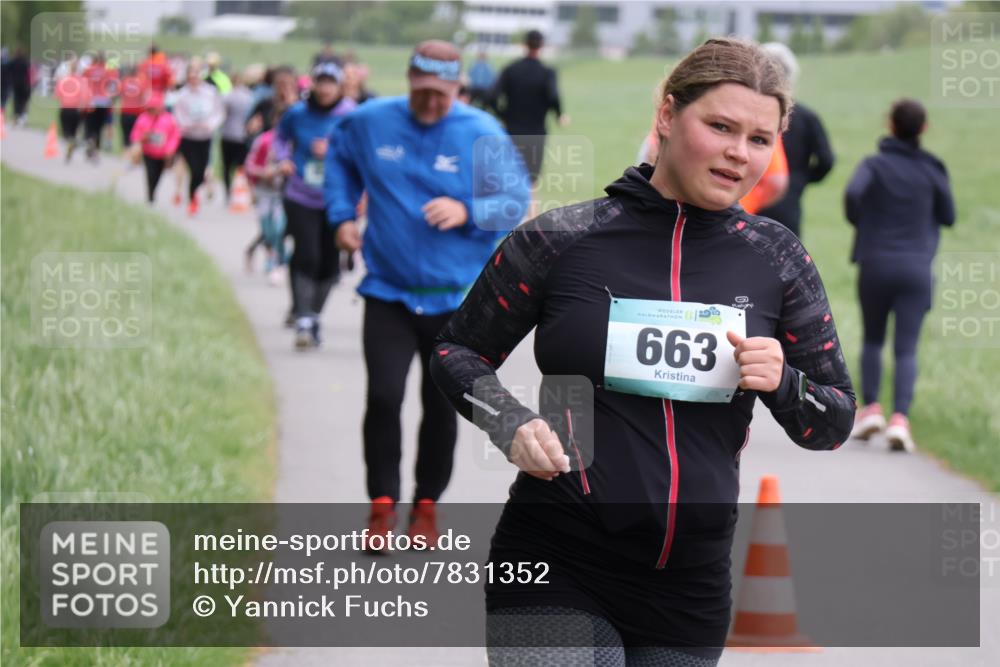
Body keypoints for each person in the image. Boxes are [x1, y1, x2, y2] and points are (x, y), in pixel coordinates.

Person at [429, 38, 855, 665]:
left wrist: (785, 383)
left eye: (760, 139)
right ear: (666, 116)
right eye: (720, 127)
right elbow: (456, 351)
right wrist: (509, 422)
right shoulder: (561, 238)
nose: (739, 153)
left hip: (689, 584)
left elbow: (833, 420)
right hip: (557, 556)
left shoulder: (778, 259)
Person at [324, 40, 530, 548]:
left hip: (455, 302)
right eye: (422, 92)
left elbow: (515, 203)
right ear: (409, 81)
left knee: (441, 407)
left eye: (441, 94)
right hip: (388, 293)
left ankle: (426, 506)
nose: (431, 102)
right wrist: (342, 215)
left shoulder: (481, 133)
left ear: (458, 88)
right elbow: (339, 159)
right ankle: (382, 505)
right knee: (385, 397)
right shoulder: (372, 120)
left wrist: (466, 210)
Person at [845, 98, 955, 453]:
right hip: (916, 268)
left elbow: (852, 194)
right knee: (906, 348)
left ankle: (872, 409)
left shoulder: (873, 165)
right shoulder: (932, 168)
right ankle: (900, 422)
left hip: (875, 263)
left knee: (874, 339)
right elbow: (949, 215)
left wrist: (863, 221)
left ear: (889, 124)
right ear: (923, 128)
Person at [274, 61, 357, 348]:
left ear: (339, 86)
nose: (324, 88)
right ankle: (303, 319)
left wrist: (333, 150)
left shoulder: (350, 114)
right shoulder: (297, 112)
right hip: (300, 194)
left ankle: (313, 314)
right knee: (306, 254)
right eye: (320, 82)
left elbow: (360, 150)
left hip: (336, 199)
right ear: (313, 84)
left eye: (330, 83)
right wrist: (284, 158)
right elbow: (280, 137)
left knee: (330, 265)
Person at [758, 42, 834, 238]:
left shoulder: (751, 113)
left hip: (751, 196)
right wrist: (801, 179)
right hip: (788, 202)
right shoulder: (807, 117)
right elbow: (826, 159)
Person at [490, 30, 568, 183]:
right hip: (536, 133)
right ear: (542, 46)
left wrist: (503, 115)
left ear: (524, 44)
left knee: (508, 177)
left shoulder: (510, 70)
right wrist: (559, 115)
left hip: (511, 131)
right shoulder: (547, 73)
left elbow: (491, 97)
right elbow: (553, 97)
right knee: (531, 181)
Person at [173, 64, 225, 216]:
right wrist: (186, 125)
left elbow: (219, 112)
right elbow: (177, 114)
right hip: (188, 137)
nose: (194, 77)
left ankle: (193, 192)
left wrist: (211, 125)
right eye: (191, 74)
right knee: (193, 168)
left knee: (201, 172)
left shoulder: (210, 92)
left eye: (196, 74)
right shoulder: (182, 94)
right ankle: (192, 198)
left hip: (205, 136)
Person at [129, 93, 181, 204]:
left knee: (158, 175)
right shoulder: (143, 118)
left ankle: (153, 192)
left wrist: (170, 149)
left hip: (163, 154)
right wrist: (142, 138)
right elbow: (135, 134)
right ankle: (150, 196)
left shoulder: (169, 119)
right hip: (148, 152)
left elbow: (174, 136)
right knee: (150, 174)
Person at [220, 71, 254, 201]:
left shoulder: (228, 96)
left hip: (228, 135)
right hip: (243, 136)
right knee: (242, 166)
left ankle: (228, 191)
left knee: (227, 166)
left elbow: (223, 115)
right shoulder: (250, 96)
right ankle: (241, 190)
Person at [53, 59, 89, 162]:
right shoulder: (81, 81)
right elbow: (85, 96)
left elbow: (57, 95)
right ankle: (73, 144)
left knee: (66, 133)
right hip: (76, 110)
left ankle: (70, 144)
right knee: (73, 133)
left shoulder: (64, 80)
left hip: (65, 108)